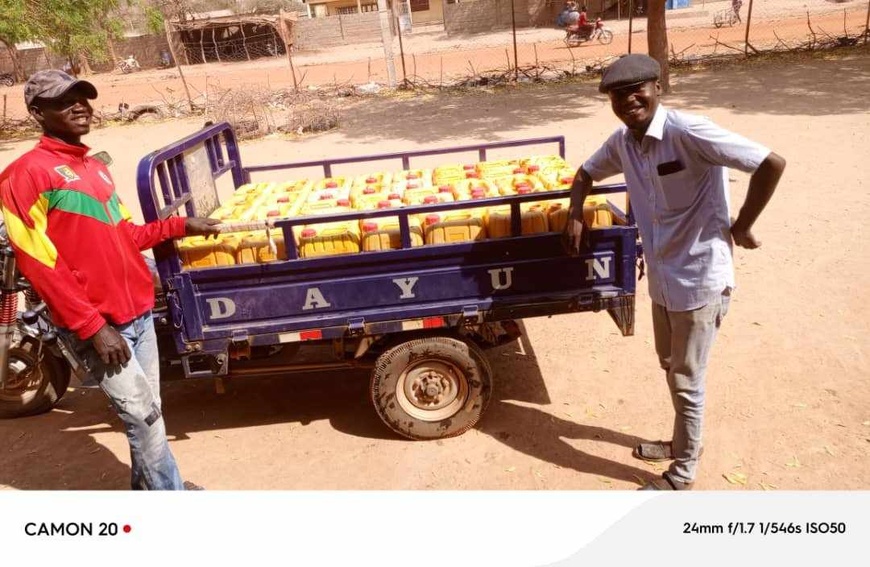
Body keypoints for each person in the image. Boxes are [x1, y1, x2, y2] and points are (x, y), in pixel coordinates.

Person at [564, 54, 786, 490]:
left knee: (686, 377)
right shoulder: (623, 143)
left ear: (658, 88)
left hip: (700, 280)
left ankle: (682, 473)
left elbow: (770, 163)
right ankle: (685, 440)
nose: (629, 100)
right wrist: (575, 214)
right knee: (670, 365)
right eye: (617, 95)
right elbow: (584, 174)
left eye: (637, 90)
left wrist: (742, 225)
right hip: (664, 282)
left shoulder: (688, 132)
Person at [0, 70, 222, 490]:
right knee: (143, 416)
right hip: (99, 324)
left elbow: (128, 236)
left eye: (82, 96)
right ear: (36, 112)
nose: (79, 105)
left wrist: (178, 226)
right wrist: (93, 327)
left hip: (137, 312)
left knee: (150, 412)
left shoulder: (93, 168)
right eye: (64, 100)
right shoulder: (25, 175)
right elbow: (38, 265)